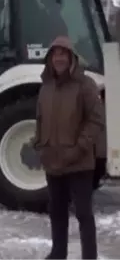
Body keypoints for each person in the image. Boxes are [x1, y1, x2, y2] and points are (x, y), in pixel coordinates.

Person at [34, 36, 104, 260]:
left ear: (72, 57)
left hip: (79, 162)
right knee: (57, 212)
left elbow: (95, 121)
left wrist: (78, 149)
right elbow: (40, 118)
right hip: (53, 161)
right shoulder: (46, 86)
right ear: (50, 58)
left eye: (64, 54)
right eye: (55, 54)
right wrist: (39, 143)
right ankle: (58, 253)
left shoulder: (86, 85)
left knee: (83, 214)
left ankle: (89, 257)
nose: (59, 58)